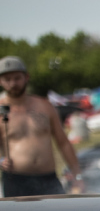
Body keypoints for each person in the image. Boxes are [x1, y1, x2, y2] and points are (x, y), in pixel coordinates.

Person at [0, 56, 83, 197]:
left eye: (17, 78)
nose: (13, 83)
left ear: (26, 77)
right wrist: (1, 160)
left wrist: (77, 176)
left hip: (48, 178)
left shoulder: (44, 106)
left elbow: (63, 143)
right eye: (7, 79)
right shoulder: (1, 109)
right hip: (15, 180)